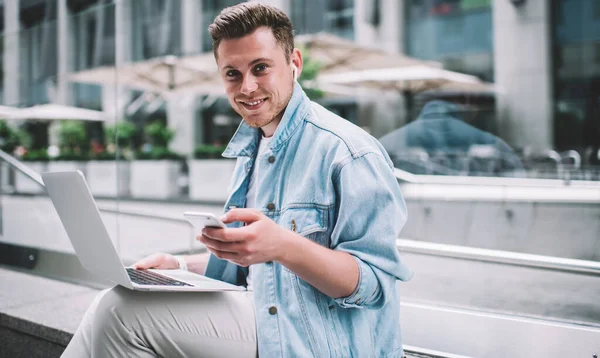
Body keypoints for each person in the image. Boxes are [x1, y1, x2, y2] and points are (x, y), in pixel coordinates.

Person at [61, 3, 412, 357]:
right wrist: (180, 265)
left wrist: (284, 246)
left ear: (295, 64)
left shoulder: (349, 152)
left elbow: (373, 284)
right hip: (267, 319)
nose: (247, 87)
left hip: (320, 341)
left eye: (261, 68)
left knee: (121, 314)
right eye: (232, 73)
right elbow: (258, 267)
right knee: (112, 302)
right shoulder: (252, 148)